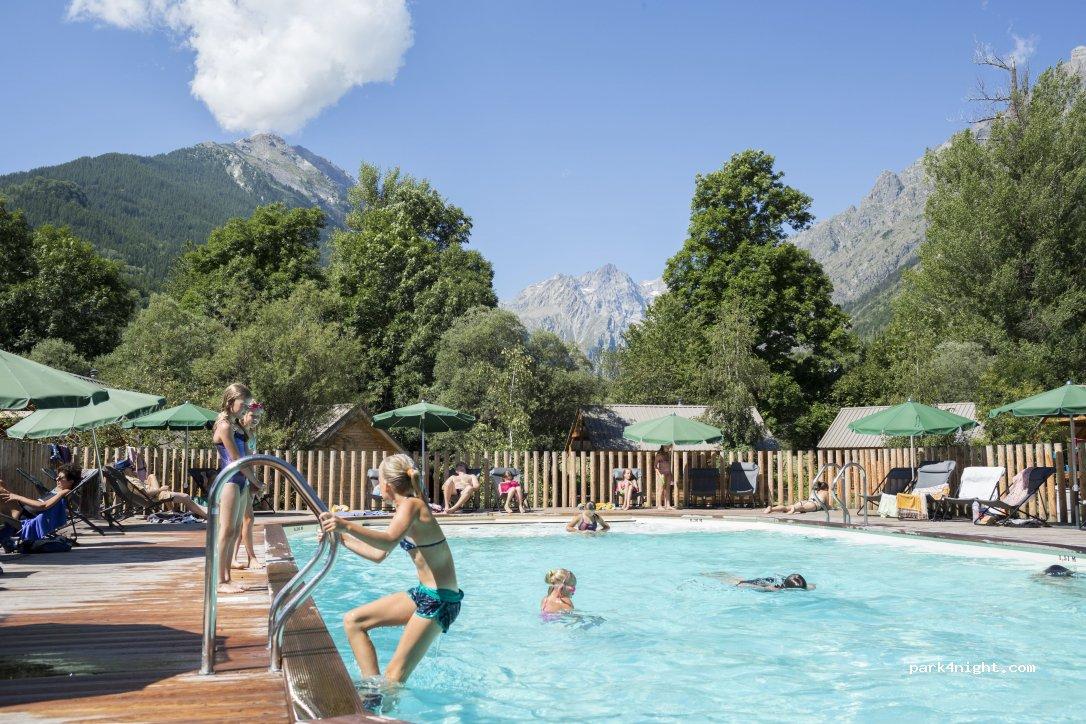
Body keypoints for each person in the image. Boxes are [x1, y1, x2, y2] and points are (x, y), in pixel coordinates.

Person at [319, 454, 462, 686]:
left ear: (385, 485)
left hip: (441, 600)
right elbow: (378, 555)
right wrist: (342, 539)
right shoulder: (406, 507)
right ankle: (372, 690)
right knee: (354, 621)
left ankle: (379, 703)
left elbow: (387, 541)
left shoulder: (412, 505)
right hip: (425, 594)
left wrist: (346, 525)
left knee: (394, 677)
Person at [212, 383, 262, 593]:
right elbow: (236, 459)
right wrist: (256, 481)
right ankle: (219, 581)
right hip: (230, 481)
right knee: (226, 531)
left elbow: (248, 456)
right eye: (244, 404)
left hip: (242, 482)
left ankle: (228, 578)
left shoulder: (238, 427)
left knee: (234, 532)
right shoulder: (224, 426)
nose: (246, 409)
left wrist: (252, 482)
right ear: (231, 401)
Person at [0, 463, 80, 548]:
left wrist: (17, 497)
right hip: (23, 510)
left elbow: (43, 506)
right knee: (1, 483)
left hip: (23, 516)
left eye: (61, 478)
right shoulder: (57, 490)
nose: (57, 479)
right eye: (57, 476)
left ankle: (5, 537)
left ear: (71, 482)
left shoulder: (63, 493)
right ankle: (5, 538)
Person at [232, 402, 265, 568]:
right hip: (237, 479)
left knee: (245, 520)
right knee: (245, 519)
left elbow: (251, 462)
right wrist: (254, 481)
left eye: (259, 416)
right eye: (253, 415)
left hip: (247, 480)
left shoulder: (250, 434)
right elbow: (241, 460)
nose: (256, 419)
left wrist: (253, 482)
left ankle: (235, 557)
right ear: (244, 414)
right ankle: (250, 558)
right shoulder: (237, 433)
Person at [764, 482, 830, 515]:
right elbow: (827, 506)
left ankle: (772, 509)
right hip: (813, 504)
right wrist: (830, 508)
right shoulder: (826, 492)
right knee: (802, 508)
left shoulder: (814, 491)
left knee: (787, 507)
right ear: (826, 488)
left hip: (806, 502)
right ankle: (794, 509)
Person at [709, 571, 815, 591]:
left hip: (769, 580)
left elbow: (812, 586)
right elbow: (742, 585)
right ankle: (710, 574)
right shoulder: (774, 589)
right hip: (759, 583)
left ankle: (720, 574)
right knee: (735, 581)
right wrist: (767, 589)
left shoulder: (804, 586)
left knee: (736, 578)